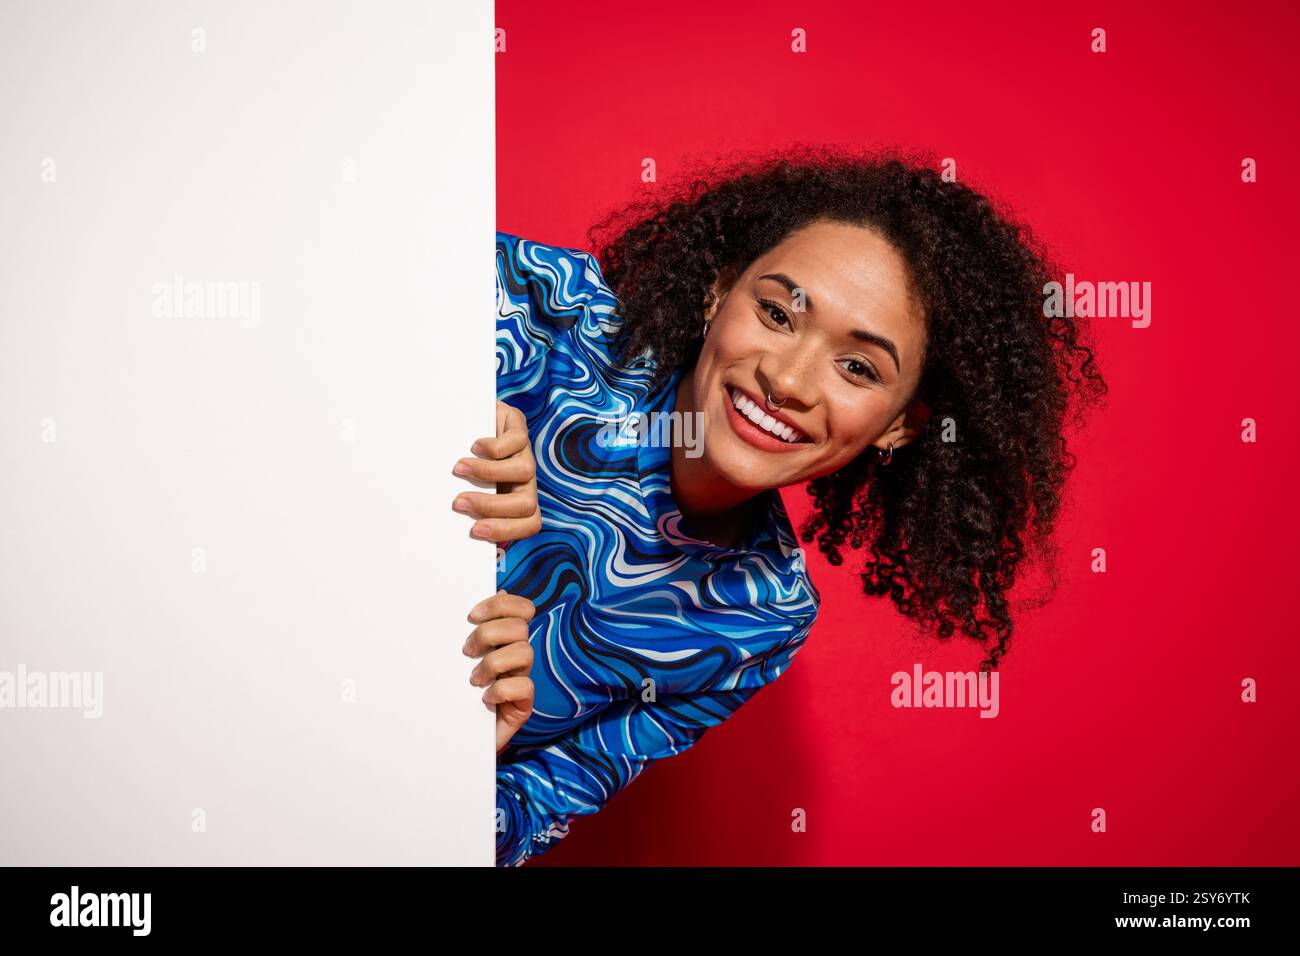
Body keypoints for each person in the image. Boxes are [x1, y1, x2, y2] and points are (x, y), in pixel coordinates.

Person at [451, 148, 1107, 867]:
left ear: (898, 425)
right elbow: (333, 288)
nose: (787, 379)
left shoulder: (760, 619)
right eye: (776, 312)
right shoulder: (547, 309)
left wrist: (461, 749)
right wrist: (432, 405)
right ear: (717, 291)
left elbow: (515, 826)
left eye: (858, 368)